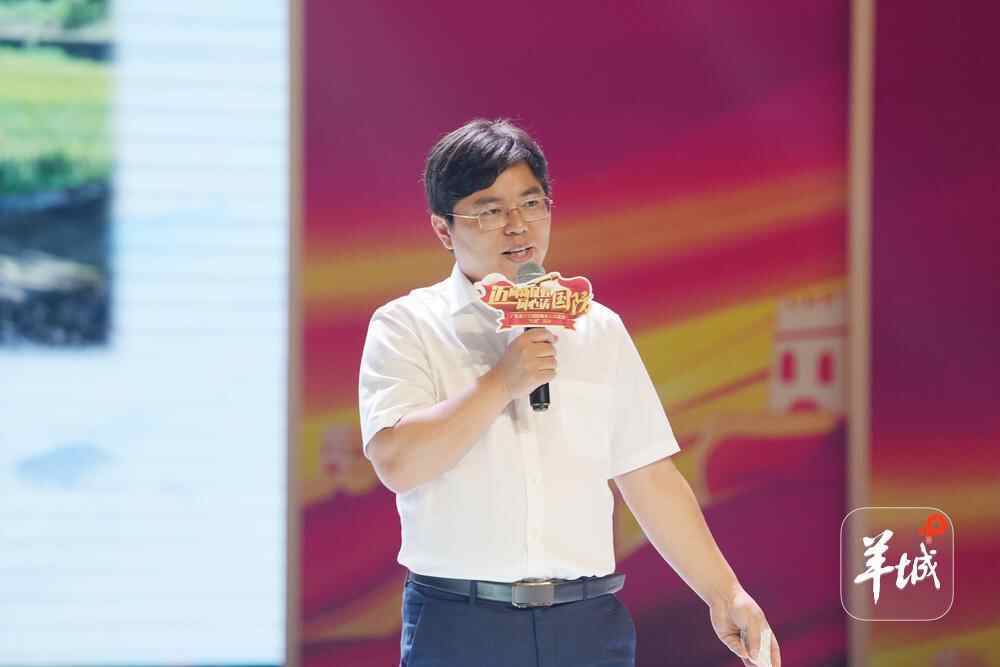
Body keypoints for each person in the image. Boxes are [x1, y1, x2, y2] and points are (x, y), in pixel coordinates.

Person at [358, 118, 781, 667]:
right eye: (490, 211)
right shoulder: (408, 325)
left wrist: (725, 593)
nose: (517, 226)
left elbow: (648, 474)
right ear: (444, 229)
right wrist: (501, 382)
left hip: (585, 623)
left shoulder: (596, 328)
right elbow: (398, 462)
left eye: (531, 204)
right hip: (461, 621)